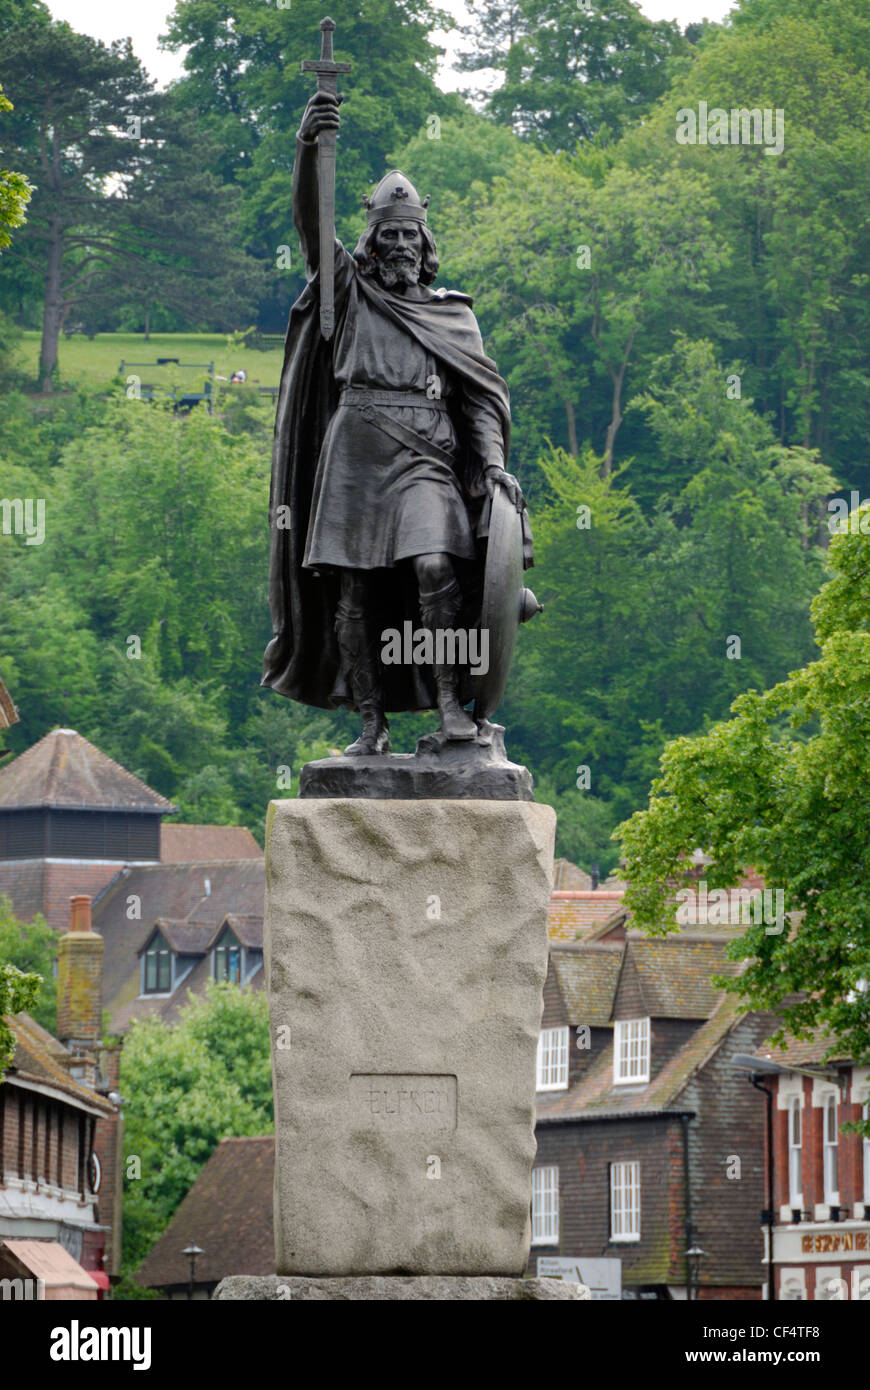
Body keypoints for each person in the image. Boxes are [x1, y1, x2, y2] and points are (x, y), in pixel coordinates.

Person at [262, 90, 530, 755]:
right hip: (356, 450)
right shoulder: (349, 292)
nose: (402, 242)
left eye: (411, 233)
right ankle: (370, 723)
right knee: (355, 589)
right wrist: (307, 148)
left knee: (436, 566)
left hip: (426, 461)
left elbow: (479, 401)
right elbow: (310, 225)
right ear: (374, 240)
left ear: (425, 241)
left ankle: (448, 704)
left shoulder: (454, 314)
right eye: (390, 233)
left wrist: (493, 466)